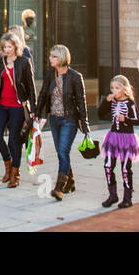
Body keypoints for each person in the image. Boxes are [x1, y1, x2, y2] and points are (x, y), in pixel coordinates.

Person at [33, 44, 89, 201]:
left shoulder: (75, 77)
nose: (50, 59)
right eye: (50, 56)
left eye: (54, 56)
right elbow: (43, 94)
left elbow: (81, 100)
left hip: (69, 120)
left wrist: (84, 124)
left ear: (62, 58)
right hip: (55, 119)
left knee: (63, 151)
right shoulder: (51, 75)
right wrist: (38, 113)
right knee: (61, 152)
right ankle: (70, 182)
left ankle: (59, 188)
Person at [0, 31, 36, 188]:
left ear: (16, 46)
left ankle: (15, 174)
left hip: (17, 107)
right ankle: (8, 163)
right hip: (1, 105)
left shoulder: (24, 62)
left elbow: (31, 87)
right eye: (4, 47)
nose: (7, 50)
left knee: (14, 140)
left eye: (9, 47)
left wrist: (34, 109)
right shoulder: (1, 62)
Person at [101, 74, 139, 209]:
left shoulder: (130, 103)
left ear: (124, 89)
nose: (114, 91)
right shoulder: (112, 102)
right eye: (112, 88)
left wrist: (126, 119)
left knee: (125, 168)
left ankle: (127, 198)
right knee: (107, 166)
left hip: (127, 138)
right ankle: (112, 195)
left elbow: (137, 120)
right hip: (113, 137)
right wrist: (106, 101)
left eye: (117, 88)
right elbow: (101, 114)